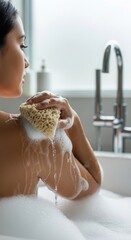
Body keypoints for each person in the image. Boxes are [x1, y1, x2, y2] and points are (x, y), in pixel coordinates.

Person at [0, 0, 102, 200]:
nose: (27, 61)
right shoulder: (31, 139)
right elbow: (92, 187)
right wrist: (73, 121)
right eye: (22, 45)